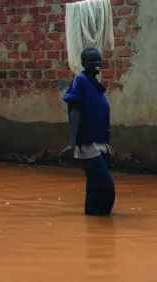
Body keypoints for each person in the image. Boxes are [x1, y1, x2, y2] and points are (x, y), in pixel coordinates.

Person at [59, 48, 116, 216]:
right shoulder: (80, 81)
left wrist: (108, 147)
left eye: (98, 60)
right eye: (92, 60)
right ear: (83, 63)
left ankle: (93, 227)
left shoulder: (96, 85)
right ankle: (101, 222)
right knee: (106, 189)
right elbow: (75, 112)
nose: (96, 63)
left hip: (101, 144)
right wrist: (72, 143)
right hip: (88, 145)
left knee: (94, 189)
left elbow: (101, 117)